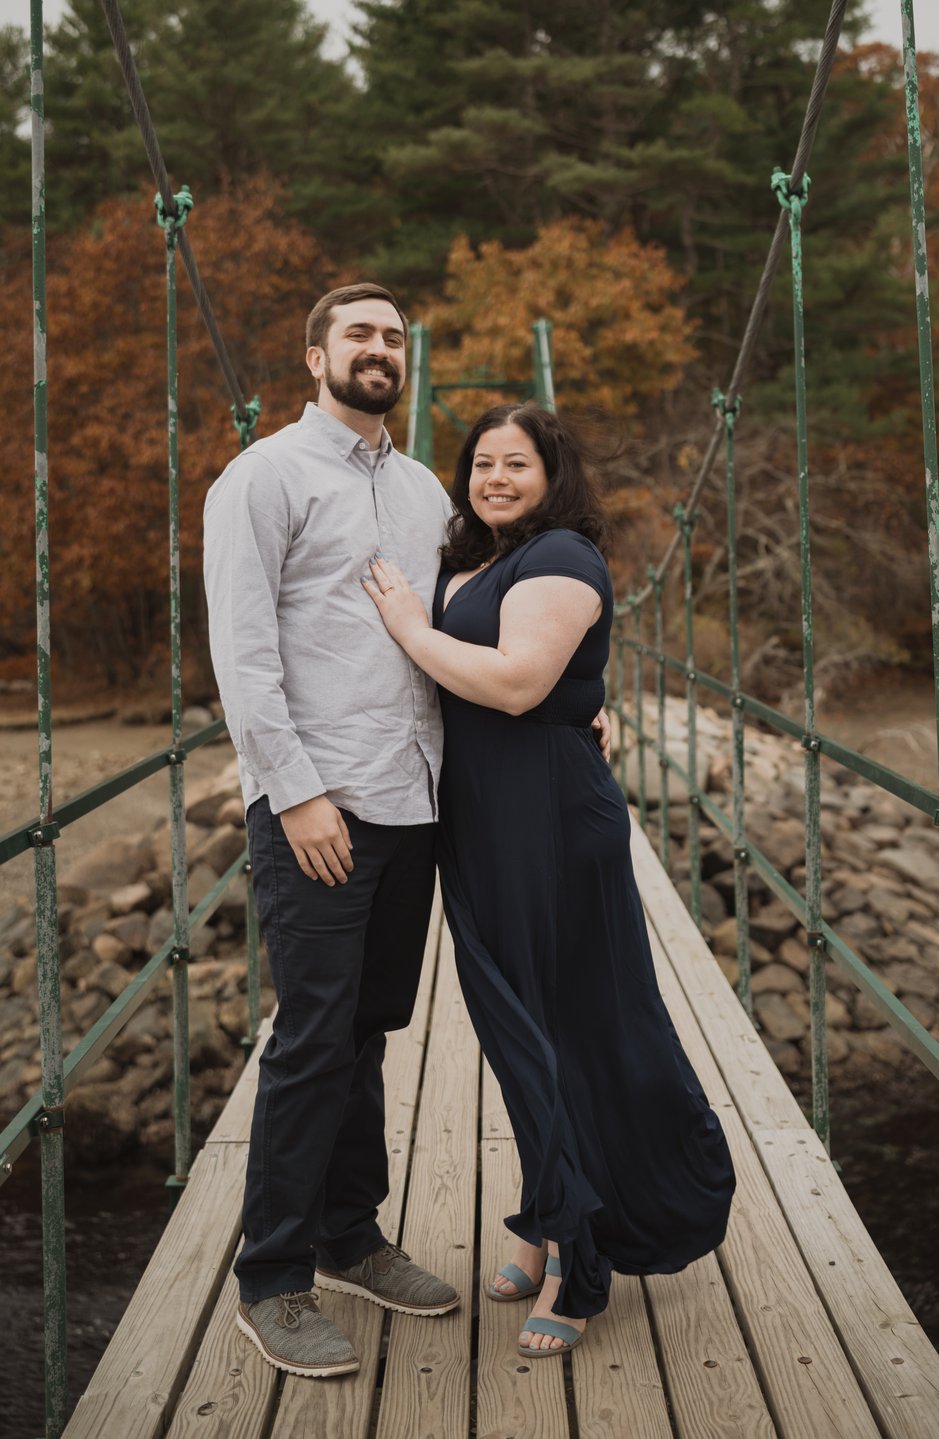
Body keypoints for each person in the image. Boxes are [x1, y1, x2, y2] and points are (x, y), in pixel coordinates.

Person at [363, 402, 736, 1357]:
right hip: (483, 820)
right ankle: (545, 1209)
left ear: (552, 473)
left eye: (514, 463)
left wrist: (409, 621)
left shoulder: (562, 555)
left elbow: (520, 684)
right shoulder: (473, 557)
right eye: (481, 462)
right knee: (518, 1026)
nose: (493, 476)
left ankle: (583, 1258)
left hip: (551, 824)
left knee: (568, 1026)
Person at [203, 283, 461, 1379]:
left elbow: (465, 626)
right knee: (312, 1037)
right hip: (320, 803)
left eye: (395, 337)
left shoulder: (425, 489)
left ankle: (350, 1233)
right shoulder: (262, 476)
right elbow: (244, 648)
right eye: (358, 334)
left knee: (365, 1029)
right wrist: (295, 791)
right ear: (313, 357)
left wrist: (574, 695)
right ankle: (271, 1279)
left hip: (414, 799)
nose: (379, 349)